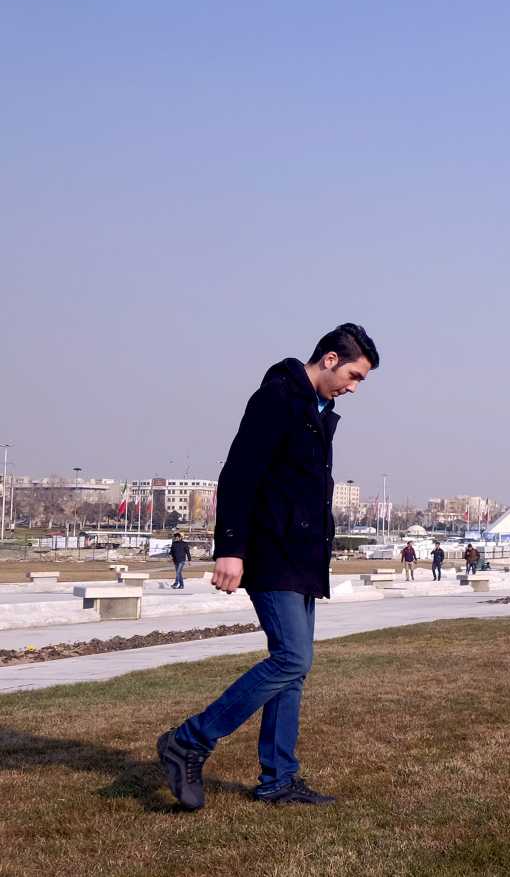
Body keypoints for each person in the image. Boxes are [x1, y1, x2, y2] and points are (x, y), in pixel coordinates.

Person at [157, 322, 379, 810]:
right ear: (330, 360)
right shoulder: (277, 398)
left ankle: (279, 779)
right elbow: (238, 474)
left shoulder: (318, 410)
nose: (354, 388)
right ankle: (189, 741)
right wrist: (230, 548)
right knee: (292, 659)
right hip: (272, 553)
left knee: (294, 670)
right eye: (354, 376)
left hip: (303, 558)